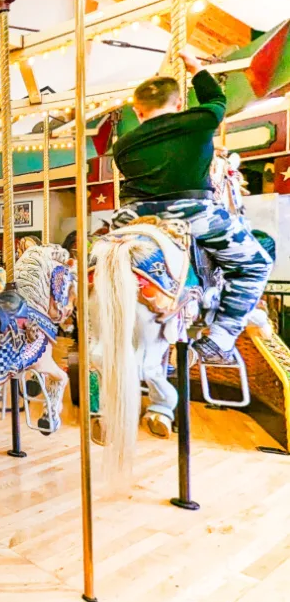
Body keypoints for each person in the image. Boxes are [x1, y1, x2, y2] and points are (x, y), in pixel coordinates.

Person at [112, 49, 273, 365]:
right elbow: (216, 99)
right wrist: (196, 68)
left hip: (131, 217)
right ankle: (221, 340)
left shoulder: (122, 144)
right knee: (256, 262)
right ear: (178, 104)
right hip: (189, 212)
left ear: (137, 110)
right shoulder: (198, 121)